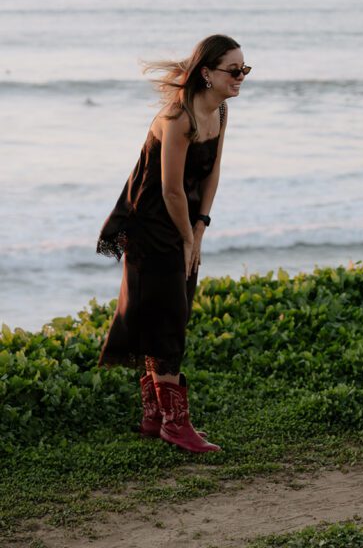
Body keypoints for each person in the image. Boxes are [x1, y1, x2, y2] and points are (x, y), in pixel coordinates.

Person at [97, 34, 250, 453]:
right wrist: (186, 238)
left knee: (172, 310)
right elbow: (170, 190)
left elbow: (212, 174)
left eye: (245, 70)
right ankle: (173, 424)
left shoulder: (219, 109)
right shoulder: (177, 118)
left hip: (183, 222)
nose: (241, 78)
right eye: (233, 70)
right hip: (150, 225)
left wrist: (199, 230)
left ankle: (155, 416)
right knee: (166, 316)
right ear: (207, 73)